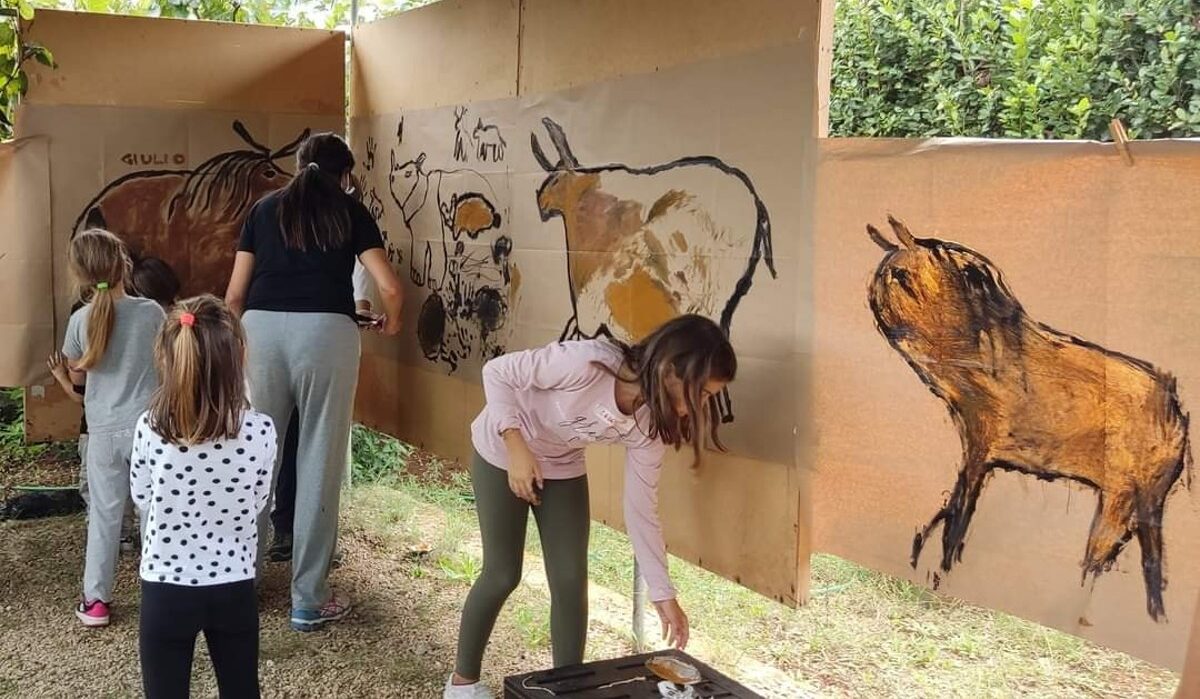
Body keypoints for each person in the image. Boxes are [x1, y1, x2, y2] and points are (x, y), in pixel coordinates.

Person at [445, 314, 737, 698]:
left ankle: (568, 690)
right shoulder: (587, 362)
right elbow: (497, 372)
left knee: (569, 580)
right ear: (671, 370)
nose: (702, 405)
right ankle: (462, 685)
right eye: (702, 393)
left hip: (562, 465)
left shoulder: (651, 424)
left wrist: (663, 593)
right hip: (502, 449)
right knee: (502, 573)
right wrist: (515, 445)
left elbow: (640, 508)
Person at [225, 132, 403, 632]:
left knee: (256, 456)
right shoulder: (350, 211)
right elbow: (387, 285)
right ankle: (307, 600)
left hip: (260, 331)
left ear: (298, 166)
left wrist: (236, 346)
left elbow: (235, 294)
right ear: (345, 174)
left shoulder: (264, 210)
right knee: (320, 458)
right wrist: (394, 321)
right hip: (326, 332)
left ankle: (242, 587)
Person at [131, 295, 275, 698]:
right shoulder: (260, 430)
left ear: (168, 356)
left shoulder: (151, 427)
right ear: (239, 356)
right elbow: (259, 499)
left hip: (165, 584)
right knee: (242, 689)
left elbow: (142, 496)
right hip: (234, 582)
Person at [57, 229, 165, 627]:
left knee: (104, 517)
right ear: (124, 263)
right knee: (154, 511)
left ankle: (96, 601)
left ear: (80, 274)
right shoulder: (152, 311)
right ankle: (161, 592)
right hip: (148, 429)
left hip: (101, 431)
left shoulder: (80, 321)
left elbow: (77, 373)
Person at [268, 261, 373, 564]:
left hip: (274, 343)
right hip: (326, 346)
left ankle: (286, 533)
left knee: (283, 442)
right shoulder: (346, 233)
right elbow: (365, 297)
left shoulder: (271, 223)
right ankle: (309, 554)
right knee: (320, 449)